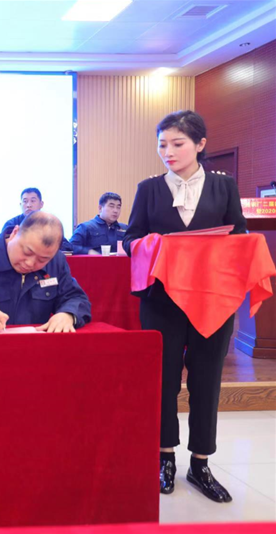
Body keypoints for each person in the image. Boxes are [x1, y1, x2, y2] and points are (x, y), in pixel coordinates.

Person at [123, 110, 246, 503]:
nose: (168, 152)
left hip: (212, 301)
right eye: (162, 144)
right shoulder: (149, 188)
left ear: (200, 144)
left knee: (206, 381)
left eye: (177, 143)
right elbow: (130, 239)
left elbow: (240, 234)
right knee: (163, 380)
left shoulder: (224, 186)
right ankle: (165, 458)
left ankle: (200, 463)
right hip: (162, 301)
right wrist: (152, 245)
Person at [0, 188, 73, 251]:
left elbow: (66, 246)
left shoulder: (49, 224)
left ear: (41, 204)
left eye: (33, 201)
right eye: (25, 201)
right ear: (20, 205)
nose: (28, 205)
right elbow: (3, 246)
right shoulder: (11, 224)